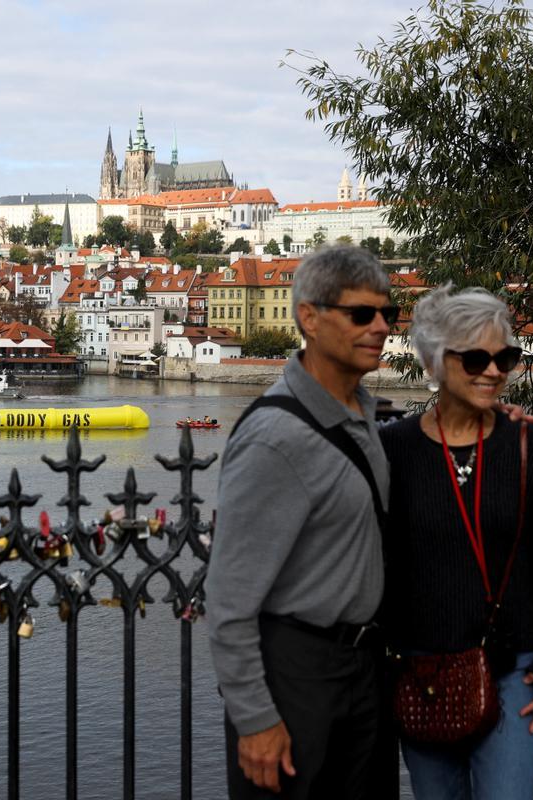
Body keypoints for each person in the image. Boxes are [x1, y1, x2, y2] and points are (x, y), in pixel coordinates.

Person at [379, 286, 533, 799]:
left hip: (513, 670)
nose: (494, 371)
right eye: (476, 357)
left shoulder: (527, 444)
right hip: (422, 671)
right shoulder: (393, 449)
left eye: (505, 357)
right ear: (434, 360)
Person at [206, 245, 393, 799]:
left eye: (388, 314)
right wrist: (256, 719)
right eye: (362, 314)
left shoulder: (363, 414)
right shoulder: (275, 438)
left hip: (362, 669)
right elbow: (228, 600)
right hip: (296, 674)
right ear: (309, 317)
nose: (380, 326)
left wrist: (486, 417)